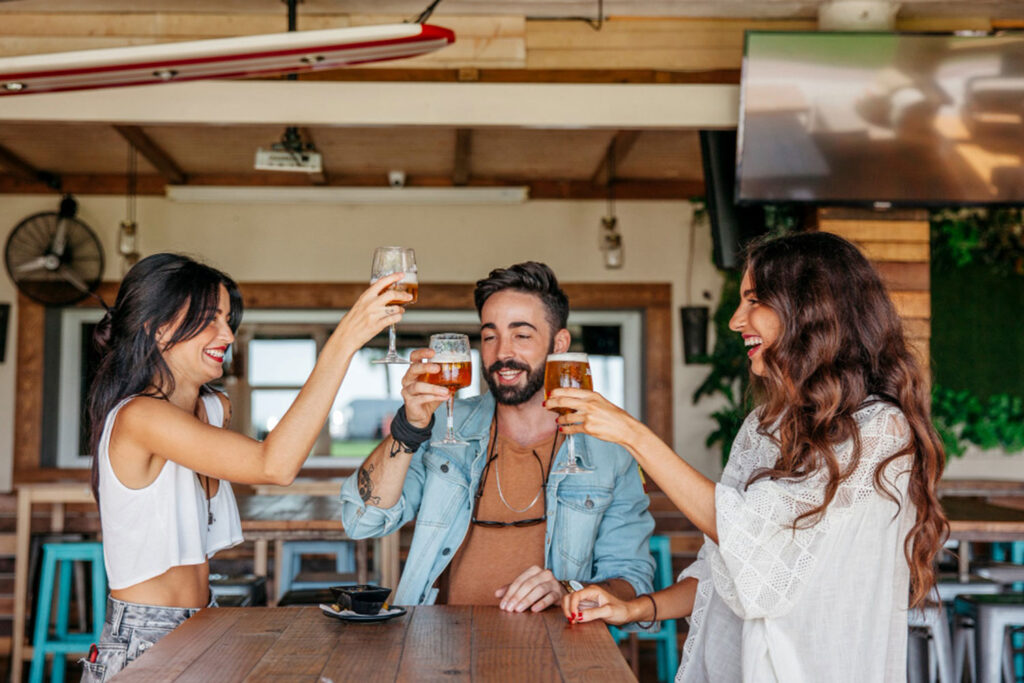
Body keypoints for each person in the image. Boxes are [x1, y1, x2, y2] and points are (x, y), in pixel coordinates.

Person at [552, 232, 948, 682]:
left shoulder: (881, 429)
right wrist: (636, 608)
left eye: (754, 300)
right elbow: (729, 565)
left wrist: (634, 435)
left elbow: (745, 533)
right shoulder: (765, 424)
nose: (736, 320)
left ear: (811, 309)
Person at [81, 253, 407, 682]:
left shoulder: (213, 408)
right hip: (145, 637)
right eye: (209, 319)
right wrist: (344, 340)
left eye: (227, 318)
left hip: (205, 620)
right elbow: (274, 465)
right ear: (155, 327)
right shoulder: (138, 418)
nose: (227, 333)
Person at [341, 261, 654, 610]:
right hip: (434, 647)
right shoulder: (444, 427)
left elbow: (633, 580)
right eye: (490, 336)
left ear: (560, 343)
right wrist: (409, 428)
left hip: (554, 652)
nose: (503, 352)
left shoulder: (612, 452)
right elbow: (361, 522)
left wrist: (567, 590)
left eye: (521, 335)